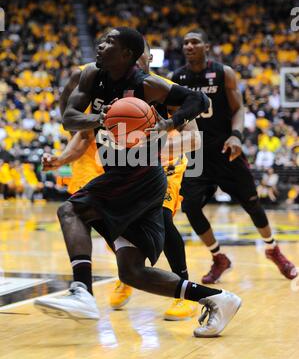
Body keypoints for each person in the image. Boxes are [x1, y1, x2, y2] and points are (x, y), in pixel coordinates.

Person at [34, 27, 241, 337]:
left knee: (70, 211)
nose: (100, 45)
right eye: (101, 40)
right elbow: (70, 118)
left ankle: (82, 291)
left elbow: (197, 101)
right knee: (132, 271)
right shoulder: (92, 75)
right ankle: (217, 299)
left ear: (129, 55)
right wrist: (103, 119)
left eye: (109, 42)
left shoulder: (147, 85)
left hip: (142, 173)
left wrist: (167, 124)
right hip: (120, 173)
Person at [44, 40, 200, 320]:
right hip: (125, 167)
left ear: (149, 58)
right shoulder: (107, 89)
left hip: (166, 161)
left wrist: (149, 150)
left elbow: (193, 138)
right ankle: (128, 273)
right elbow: (83, 136)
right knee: (109, 218)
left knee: (163, 218)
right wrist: (61, 159)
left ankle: (183, 291)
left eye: (140, 58)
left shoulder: (160, 87)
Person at [168, 29, 297, 283]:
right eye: (185, 43)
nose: (189, 46)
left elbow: (238, 108)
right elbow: (176, 115)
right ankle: (219, 258)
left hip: (226, 150)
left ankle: (273, 249)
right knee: (191, 206)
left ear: (207, 46)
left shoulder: (223, 72)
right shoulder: (177, 77)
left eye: (195, 42)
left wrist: (236, 135)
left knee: (252, 203)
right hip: (196, 155)